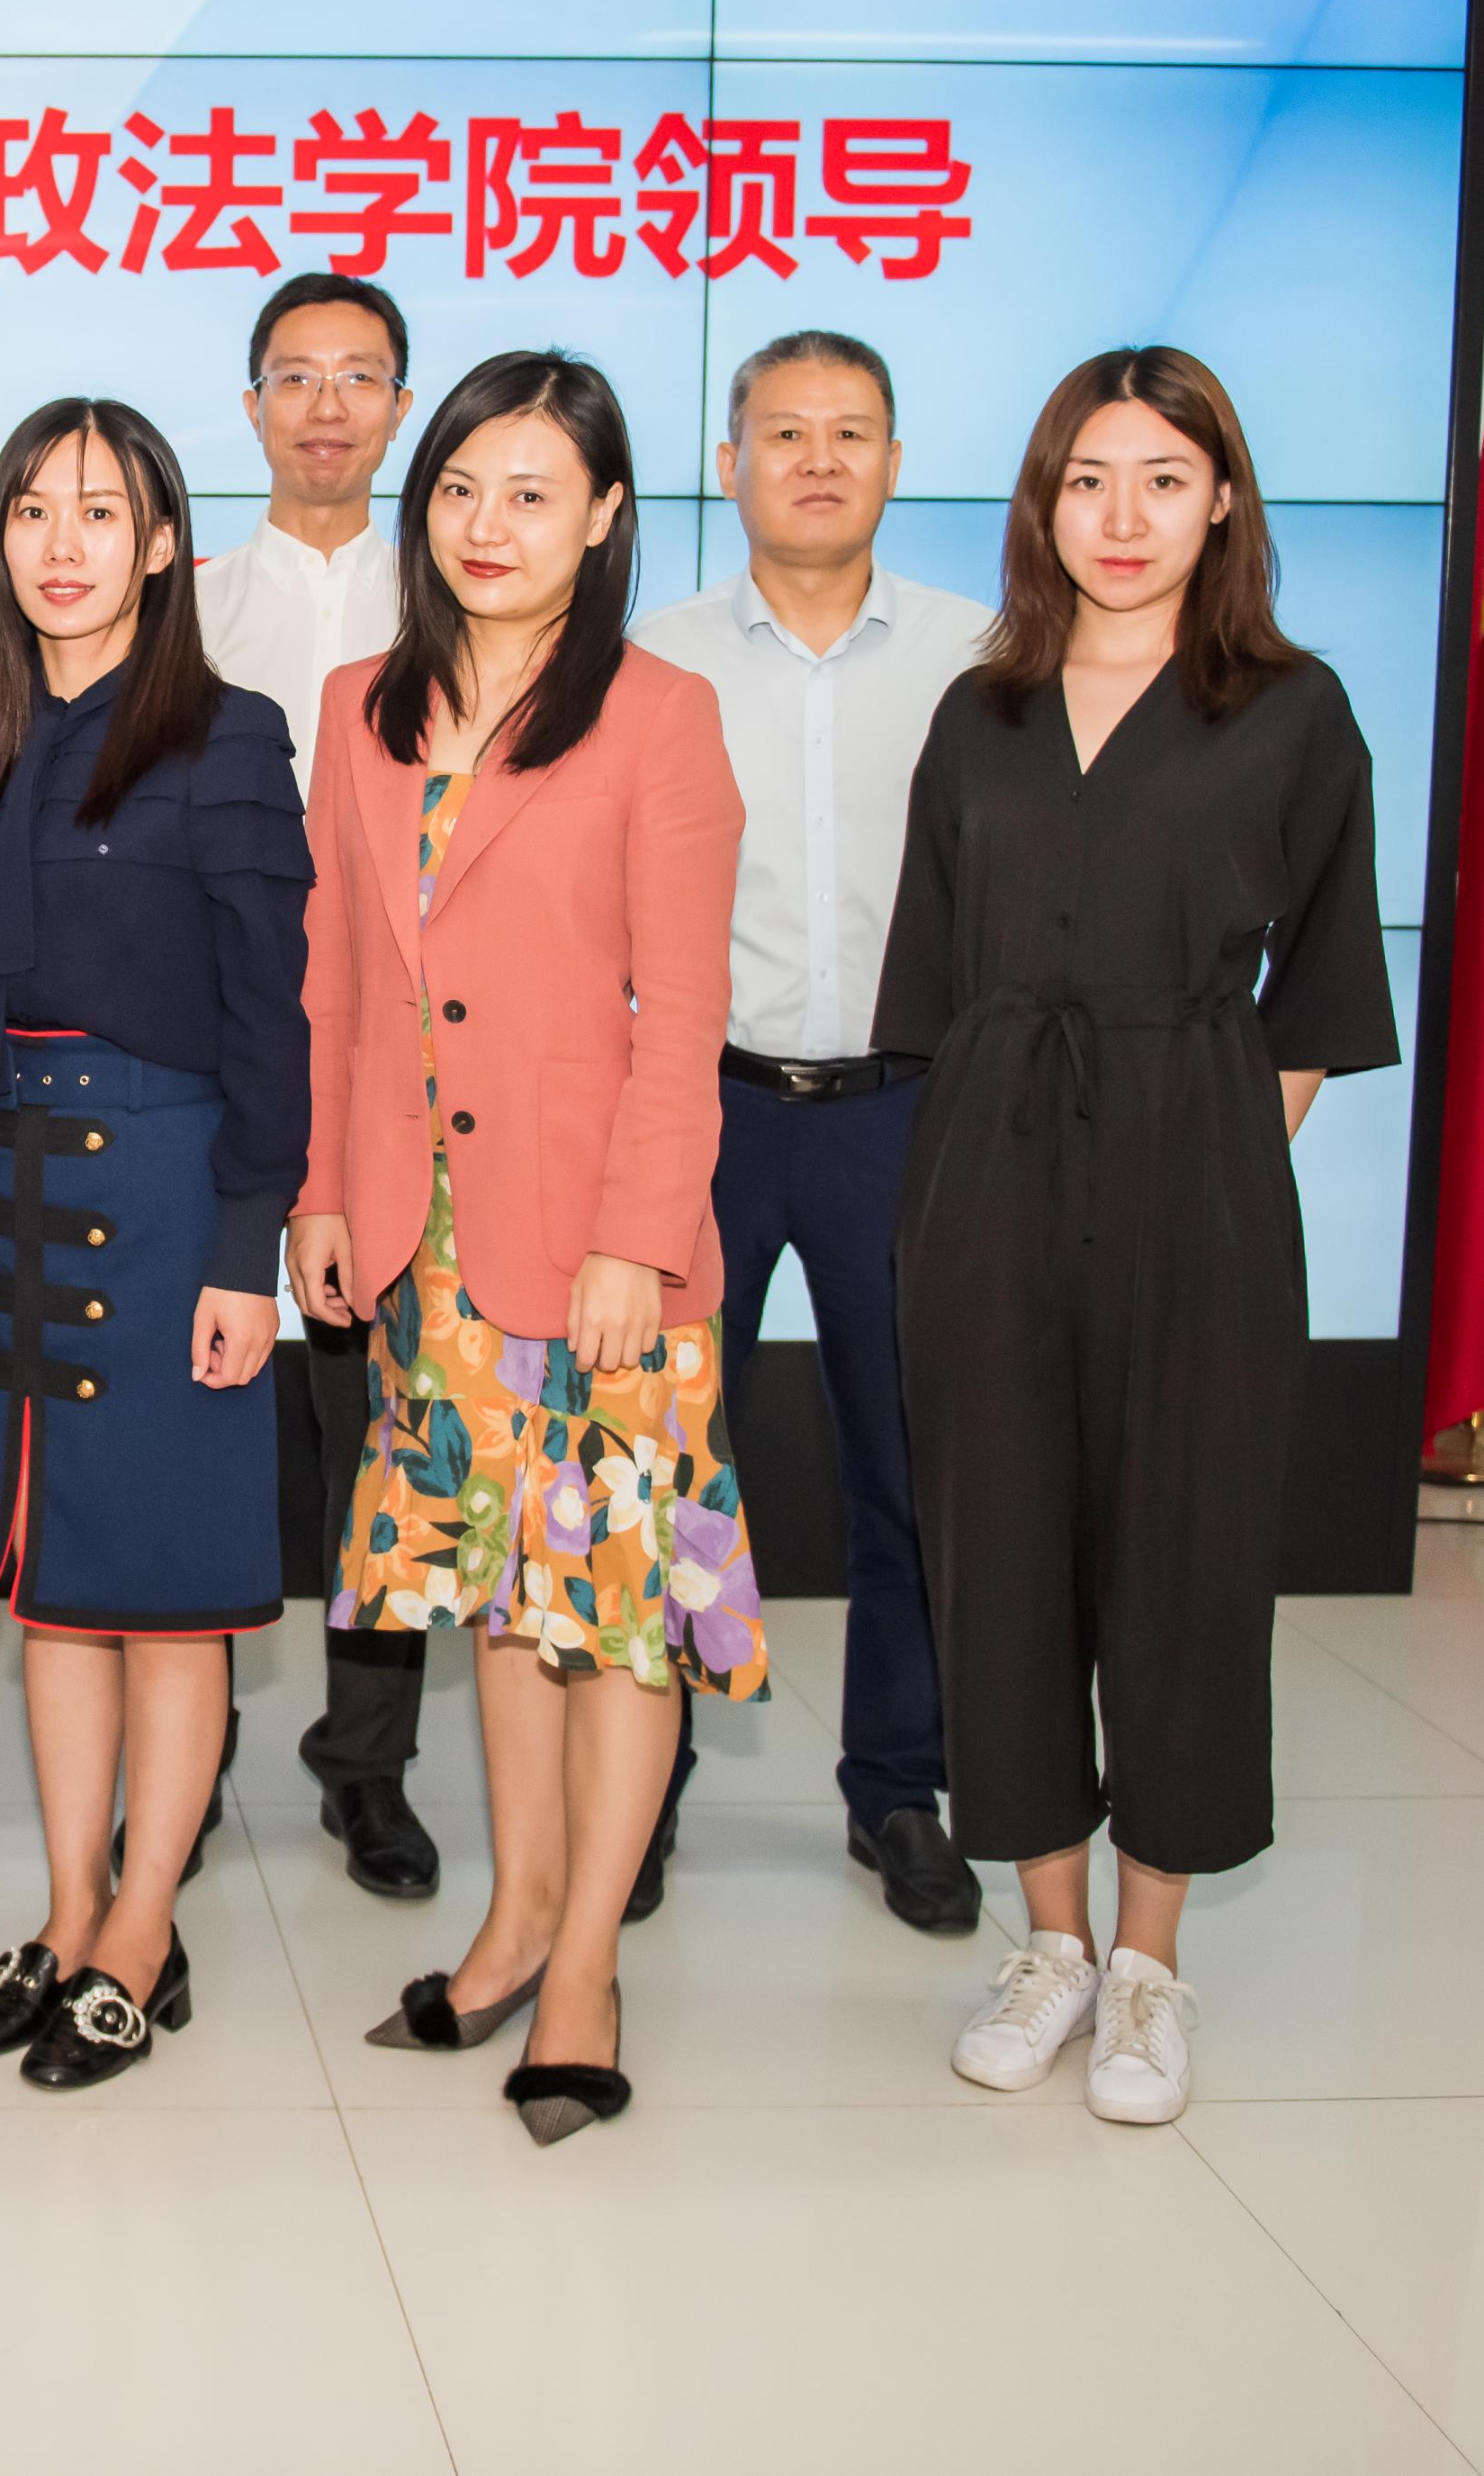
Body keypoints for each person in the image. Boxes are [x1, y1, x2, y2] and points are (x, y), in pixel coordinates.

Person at [892, 346, 1392, 2129]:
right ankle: (1052, 1941)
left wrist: (1200, 1163)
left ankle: (1153, 1964)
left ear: (1222, 499)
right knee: (1003, 1548)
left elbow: (1317, 995)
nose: (1122, 515)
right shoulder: (982, 711)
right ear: (1043, 504)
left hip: (1200, 1176)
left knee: (1187, 1556)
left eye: (1163, 478)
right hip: (989, 1172)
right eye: (1087, 478)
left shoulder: (1295, 709)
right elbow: (930, 977)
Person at [292, 349, 751, 2147]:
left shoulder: (658, 713)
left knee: (617, 1608)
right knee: (495, 1585)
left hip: (601, 1242)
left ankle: (585, 1971)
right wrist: (323, 1192)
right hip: (428, 1242)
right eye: (462, 487)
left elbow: (684, 1012)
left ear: (606, 514)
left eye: (535, 492)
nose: (488, 524)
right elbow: (336, 980)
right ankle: (513, 1918)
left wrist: (640, 1234)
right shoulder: (359, 702)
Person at [0, 400, 306, 2092]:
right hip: (2, 1195)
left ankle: (146, 1925)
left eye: (101, 512)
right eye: (32, 511)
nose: (62, 545)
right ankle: (69, 1911)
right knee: (54, 1590)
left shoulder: (227, 736)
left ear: (161, 543)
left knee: (169, 1596)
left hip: (168, 1196)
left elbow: (271, 1018)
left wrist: (246, 1251)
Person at [627, 331, 994, 1938]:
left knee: (909, 1466)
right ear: (732, 465)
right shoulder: (655, 658)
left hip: (905, 1108)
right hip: (700, 1105)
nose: (820, 459)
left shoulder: (986, 657)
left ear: (897, 463)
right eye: (787, 432)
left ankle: (899, 1787)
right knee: (665, 1463)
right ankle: (640, 1789)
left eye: (853, 432)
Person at [192, 269, 436, 1902]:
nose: (327, 405)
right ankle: (184, 1751)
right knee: (200, 1412)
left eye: (360, 376)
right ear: (253, 406)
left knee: (380, 1433)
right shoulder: (190, 609)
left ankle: (367, 1764)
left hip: (397, 1080)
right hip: (211, 1064)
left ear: (402, 407)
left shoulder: (467, 599)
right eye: (297, 375)